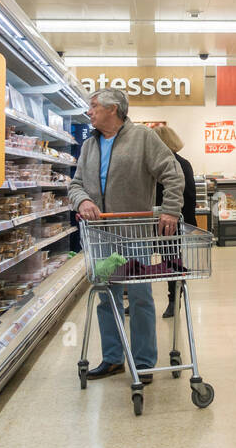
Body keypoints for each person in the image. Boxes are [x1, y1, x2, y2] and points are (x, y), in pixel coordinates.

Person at [68, 89, 185, 381]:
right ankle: (112, 358)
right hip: (100, 235)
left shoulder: (143, 138)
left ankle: (144, 362)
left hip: (133, 232)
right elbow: (75, 185)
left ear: (114, 109)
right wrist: (82, 200)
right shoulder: (89, 146)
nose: (89, 111)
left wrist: (170, 209)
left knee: (140, 295)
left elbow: (172, 174)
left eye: (94, 106)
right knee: (107, 298)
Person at [152, 125, 197, 318]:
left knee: (170, 259)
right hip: (151, 220)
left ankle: (173, 299)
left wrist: (182, 222)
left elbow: (188, 196)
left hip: (171, 221)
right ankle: (140, 299)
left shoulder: (179, 164)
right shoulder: (151, 164)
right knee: (144, 258)